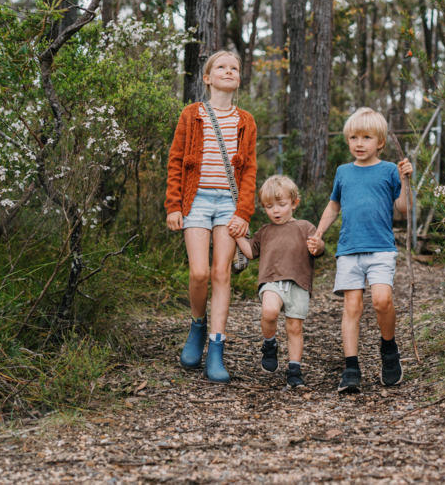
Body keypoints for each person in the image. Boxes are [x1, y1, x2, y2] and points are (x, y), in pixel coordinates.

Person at [165, 51, 257, 383]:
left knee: (222, 273)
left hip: (229, 205)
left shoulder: (245, 120)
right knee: (200, 272)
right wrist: (173, 205)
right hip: (196, 201)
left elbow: (249, 172)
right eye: (221, 67)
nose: (229, 71)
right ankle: (197, 326)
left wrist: (244, 211)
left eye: (234, 68)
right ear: (207, 78)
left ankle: (216, 349)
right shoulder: (192, 114)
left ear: (238, 79)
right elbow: (176, 160)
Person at [308, 108, 412, 393]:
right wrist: (318, 234)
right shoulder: (344, 172)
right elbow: (333, 206)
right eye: (353, 137)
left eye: (366, 137)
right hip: (349, 248)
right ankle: (351, 367)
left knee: (381, 301)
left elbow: (404, 208)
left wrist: (405, 181)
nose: (359, 143)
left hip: (380, 248)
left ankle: (389, 349)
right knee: (351, 307)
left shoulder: (389, 170)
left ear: (380, 142)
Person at [234, 175, 325, 388]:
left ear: (294, 203)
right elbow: (249, 251)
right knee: (270, 312)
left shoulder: (305, 227)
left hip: (298, 283)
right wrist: (237, 235)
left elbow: (319, 250)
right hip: (271, 281)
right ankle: (269, 343)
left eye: (281, 205)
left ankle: (294, 368)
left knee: (294, 327)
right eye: (269, 206)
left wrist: (317, 246)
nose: (275, 211)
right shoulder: (264, 232)